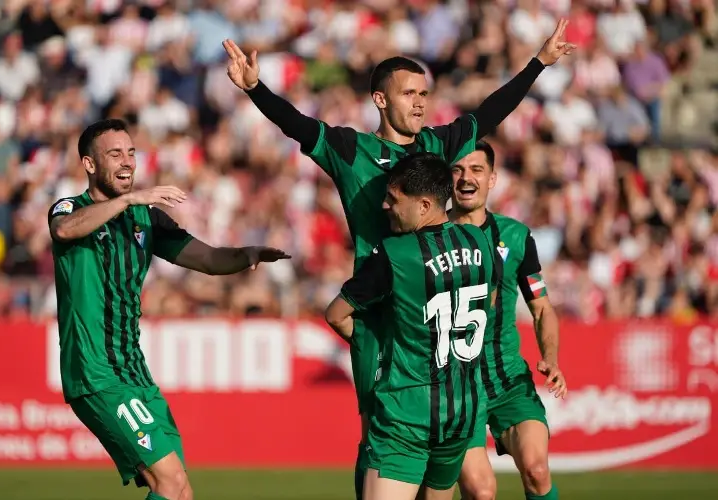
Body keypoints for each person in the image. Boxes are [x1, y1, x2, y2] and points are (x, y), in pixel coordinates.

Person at [223, 20, 574, 499]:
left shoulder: (437, 144)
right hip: (381, 314)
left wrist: (539, 63)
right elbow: (299, 126)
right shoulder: (352, 150)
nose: (420, 102)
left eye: (424, 93)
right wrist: (255, 89)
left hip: (434, 316)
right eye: (409, 93)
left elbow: (489, 113)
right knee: (381, 434)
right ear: (381, 100)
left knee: (448, 453)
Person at [48, 119, 290, 500]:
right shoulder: (70, 207)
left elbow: (208, 259)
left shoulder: (148, 219)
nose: (127, 162)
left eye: (131, 153)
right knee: (171, 482)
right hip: (96, 372)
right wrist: (127, 200)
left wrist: (247, 254)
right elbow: (64, 230)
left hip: (134, 371)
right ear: (90, 164)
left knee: (179, 492)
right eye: (115, 154)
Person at [325, 153, 497, 500]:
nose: (385, 206)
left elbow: (336, 314)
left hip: (407, 413)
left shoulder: (396, 253)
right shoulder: (480, 241)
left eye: (393, 198)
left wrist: (384, 345)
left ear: (423, 205)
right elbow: (489, 300)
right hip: (461, 412)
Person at [448, 141, 567, 500]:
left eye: (477, 170)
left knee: (537, 469)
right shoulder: (428, 236)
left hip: (508, 381)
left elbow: (542, 307)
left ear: (493, 179)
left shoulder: (516, 236)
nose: (467, 178)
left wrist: (551, 358)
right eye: (458, 170)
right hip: (453, 388)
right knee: (481, 492)